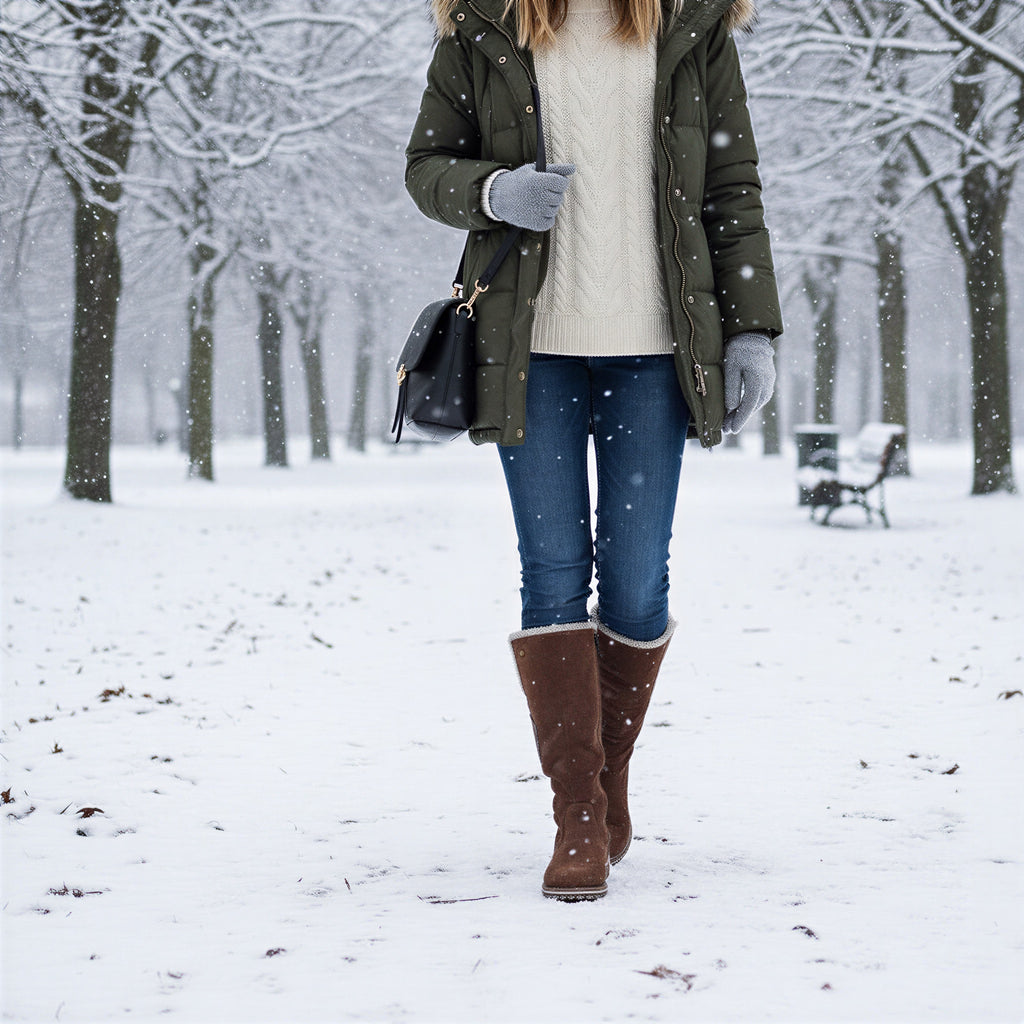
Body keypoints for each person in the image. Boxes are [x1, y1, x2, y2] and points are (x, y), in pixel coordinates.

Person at [406, 0, 783, 901]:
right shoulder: (484, 26)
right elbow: (428, 167)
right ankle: (577, 809)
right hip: (527, 345)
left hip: (657, 345)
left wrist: (753, 330)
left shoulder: (692, 28)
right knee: (552, 572)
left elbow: (732, 187)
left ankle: (608, 772)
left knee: (640, 580)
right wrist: (493, 192)